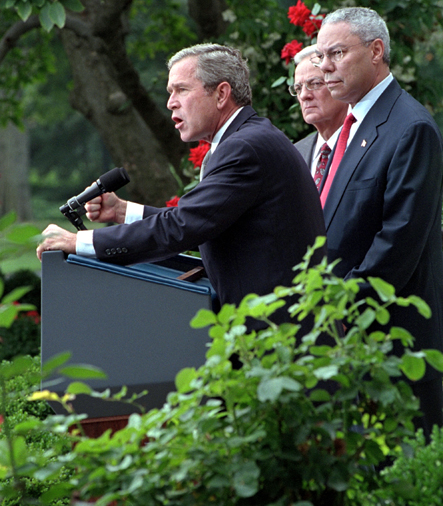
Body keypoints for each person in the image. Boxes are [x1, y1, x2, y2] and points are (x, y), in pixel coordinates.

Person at [37, 43, 327, 332]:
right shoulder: (242, 140)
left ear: (221, 94)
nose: (170, 103)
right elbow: (200, 222)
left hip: (282, 338)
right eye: (169, 92)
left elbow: (183, 226)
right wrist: (123, 211)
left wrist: (79, 243)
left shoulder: (245, 148)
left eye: (181, 90)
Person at [313, 6, 443, 440]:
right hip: (343, 340)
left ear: (376, 51)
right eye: (319, 56)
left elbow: (398, 240)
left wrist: (339, 308)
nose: (325, 67)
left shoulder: (409, 128)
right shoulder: (352, 125)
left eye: (336, 53)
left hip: (384, 337)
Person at [292, 45, 348, 188]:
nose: (304, 95)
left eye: (315, 84)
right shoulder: (294, 154)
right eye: (298, 88)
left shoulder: (364, 144)